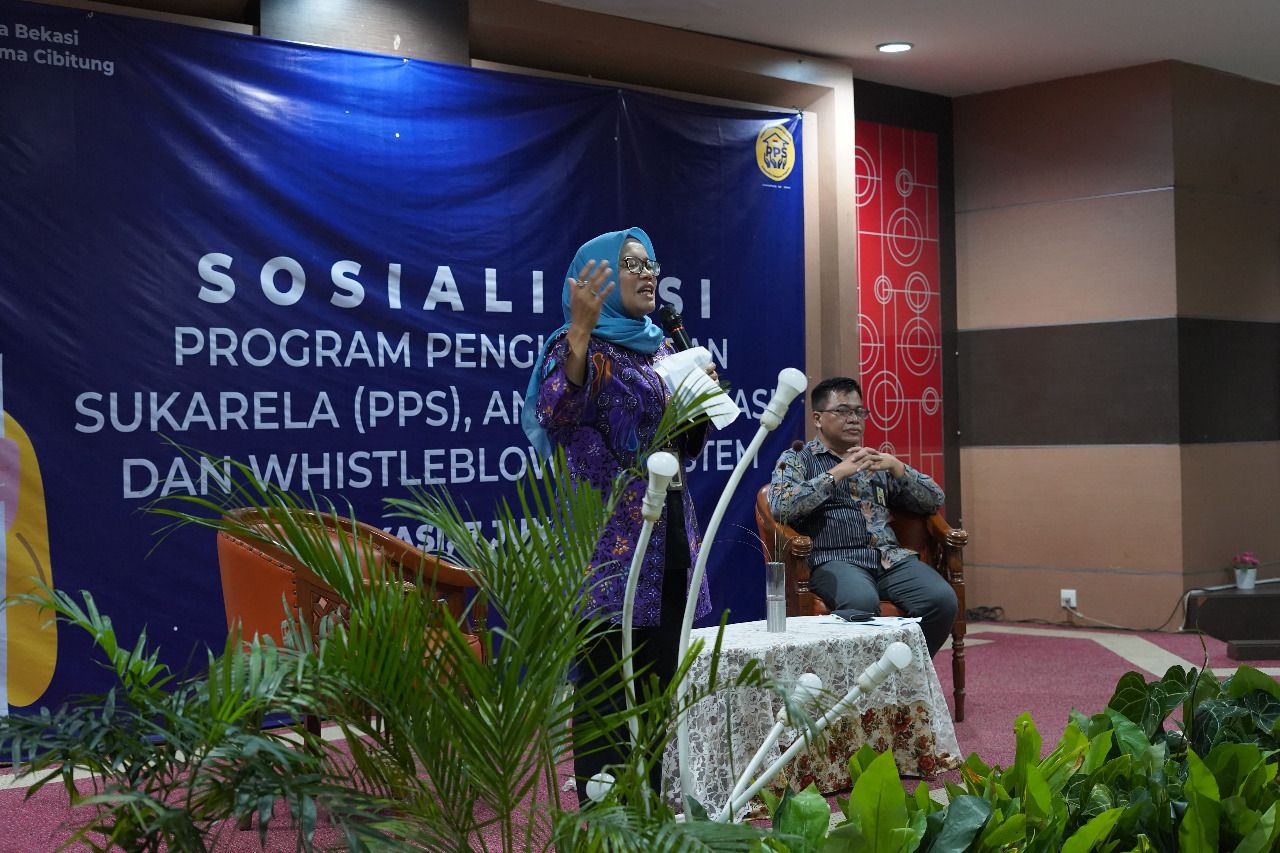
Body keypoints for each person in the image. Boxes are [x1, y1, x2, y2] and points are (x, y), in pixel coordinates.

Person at [521, 227, 715, 802]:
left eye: (652, 263)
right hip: (610, 543)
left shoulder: (662, 347)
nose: (648, 273)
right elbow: (556, 414)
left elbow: (683, 445)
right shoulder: (575, 346)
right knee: (607, 687)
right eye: (632, 264)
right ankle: (602, 819)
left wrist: (700, 402)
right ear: (598, 278)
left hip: (671, 529)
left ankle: (650, 810)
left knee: (658, 687)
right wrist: (580, 332)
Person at [768, 376, 957, 656]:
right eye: (843, 411)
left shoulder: (875, 461)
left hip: (889, 559)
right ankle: (862, 680)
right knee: (861, 604)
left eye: (859, 412)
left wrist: (897, 467)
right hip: (836, 559)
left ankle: (904, 671)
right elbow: (781, 506)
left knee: (941, 600)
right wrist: (837, 473)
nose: (854, 419)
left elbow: (934, 500)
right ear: (818, 419)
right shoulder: (797, 459)